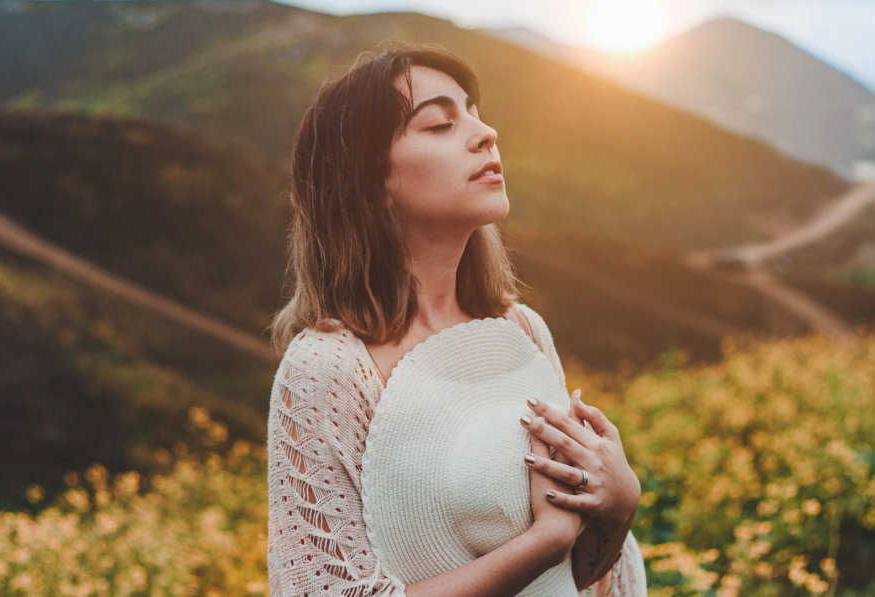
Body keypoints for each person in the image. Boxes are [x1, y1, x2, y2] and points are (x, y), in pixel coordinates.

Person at [265, 43, 646, 596]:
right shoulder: (328, 371)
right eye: (441, 124)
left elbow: (575, 581)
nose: (485, 133)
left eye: (474, 111)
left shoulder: (523, 331)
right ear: (372, 180)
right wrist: (544, 541)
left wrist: (619, 507)